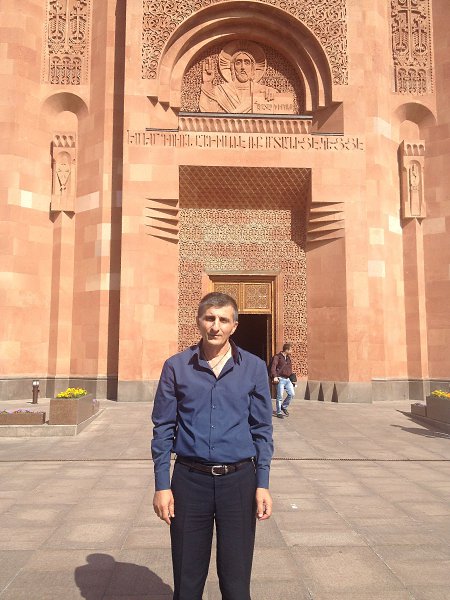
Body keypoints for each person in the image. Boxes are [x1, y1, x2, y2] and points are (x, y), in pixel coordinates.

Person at [151, 292, 274, 600]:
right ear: (198, 321)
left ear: (234, 325)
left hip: (239, 481)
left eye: (223, 320)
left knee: (236, 581)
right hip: (190, 481)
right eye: (209, 318)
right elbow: (163, 428)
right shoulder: (176, 367)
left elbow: (262, 429)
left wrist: (262, 483)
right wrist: (162, 485)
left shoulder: (254, 367)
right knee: (187, 580)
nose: (215, 326)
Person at [199, 41, 277, 114]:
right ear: (233, 67)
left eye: (247, 63)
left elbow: (279, 105)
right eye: (238, 63)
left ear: (252, 68)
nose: (242, 67)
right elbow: (207, 111)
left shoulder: (263, 90)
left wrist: (274, 94)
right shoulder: (221, 90)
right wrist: (207, 83)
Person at [270, 342, 295, 419]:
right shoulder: (277, 357)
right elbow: (273, 367)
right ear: (286, 350)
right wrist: (275, 376)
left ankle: (283, 406)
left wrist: (292, 378)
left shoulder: (288, 358)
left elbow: (289, 368)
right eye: (291, 350)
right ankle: (279, 412)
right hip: (280, 379)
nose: (292, 351)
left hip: (287, 379)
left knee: (292, 394)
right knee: (280, 396)